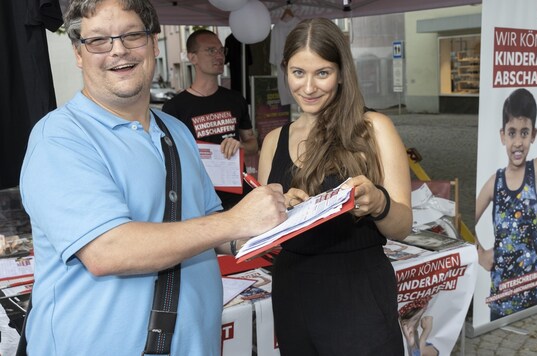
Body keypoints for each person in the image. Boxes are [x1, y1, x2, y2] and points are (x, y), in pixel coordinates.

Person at [18, 0, 287, 354]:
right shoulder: (60, 138)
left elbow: (207, 222)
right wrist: (237, 221)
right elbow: (107, 250)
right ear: (78, 54)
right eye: (98, 40)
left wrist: (272, 227)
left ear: (154, 43)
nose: (118, 50)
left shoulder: (174, 130)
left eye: (132, 35)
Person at [257, 18, 413, 355]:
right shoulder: (273, 141)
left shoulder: (374, 128)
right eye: (299, 73)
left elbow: (403, 226)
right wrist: (276, 210)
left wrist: (378, 204)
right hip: (293, 290)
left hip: (358, 290)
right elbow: (255, 233)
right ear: (285, 71)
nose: (309, 87)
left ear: (342, 73)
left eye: (322, 73)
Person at [475, 84, 537, 320]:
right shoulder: (494, 183)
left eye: (524, 132)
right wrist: (479, 253)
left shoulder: (535, 170)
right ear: (502, 135)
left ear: (533, 135)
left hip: (530, 289)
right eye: (512, 132)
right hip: (500, 295)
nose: (518, 142)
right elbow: (464, 218)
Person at [162, 29, 258, 210]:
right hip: (200, 198)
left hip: (238, 195)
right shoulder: (175, 108)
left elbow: (253, 144)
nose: (219, 56)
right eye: (211, 50)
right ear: (192, 57)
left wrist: (240, 146)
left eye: (221, 50)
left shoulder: (236, 99)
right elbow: (171, 160)